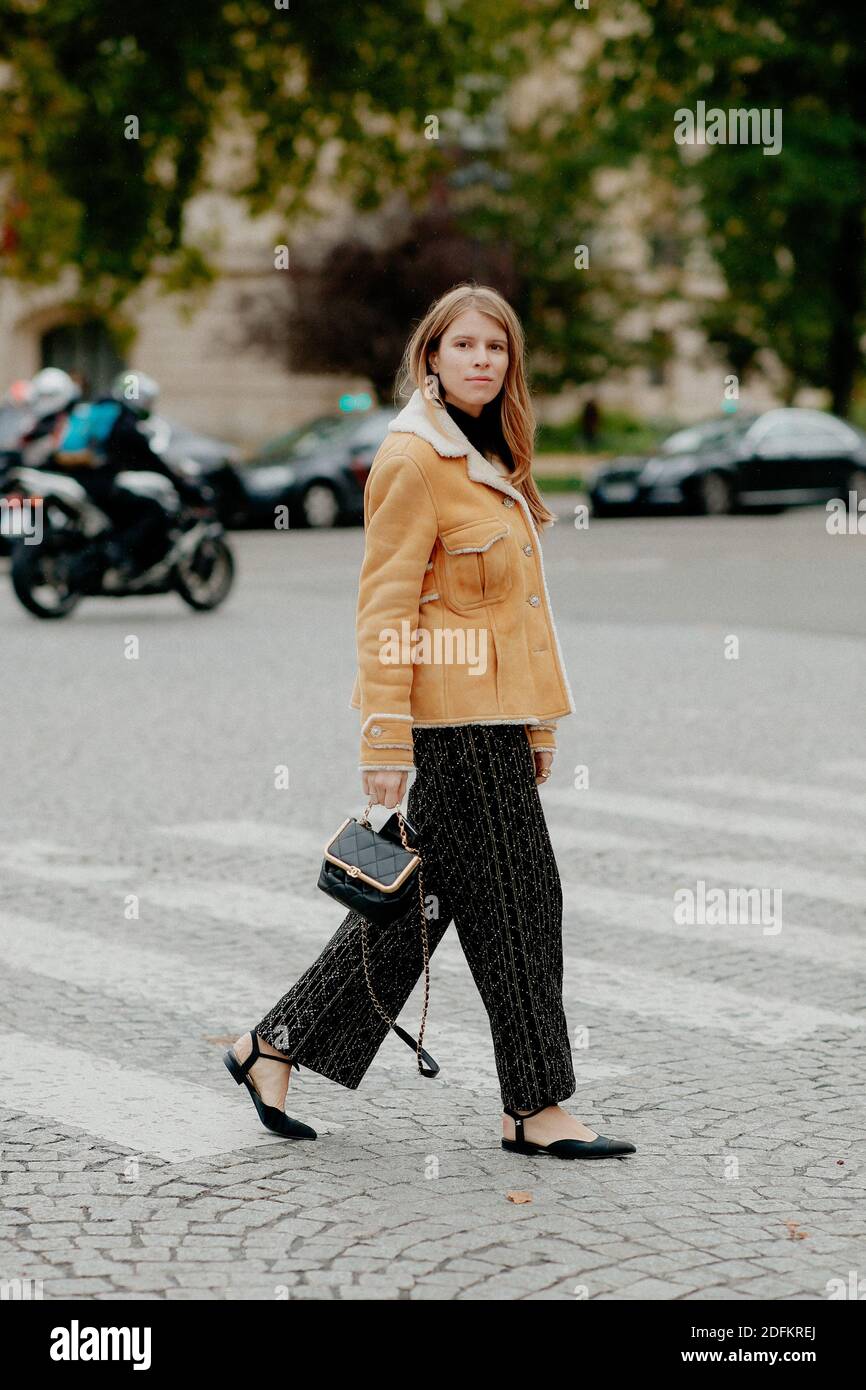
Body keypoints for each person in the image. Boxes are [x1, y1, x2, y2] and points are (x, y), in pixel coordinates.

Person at [224, 284, 636, 1161]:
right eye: (466, 346)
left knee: (419, 903)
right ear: (432, 359)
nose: (484, 359)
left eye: (498, 348)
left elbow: (523, 615)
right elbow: (384, 606)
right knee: (525, 903)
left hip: (495, 723)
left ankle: (273, 1044)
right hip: (450, 726)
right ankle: (534, 1106)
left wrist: (539, 727)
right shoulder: (414, 459)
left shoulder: (489, 458)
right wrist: (384, 738)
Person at [51, 371, 212, 580]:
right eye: (148, 400)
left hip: (75, 479)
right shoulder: (124, 424)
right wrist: (187, 488)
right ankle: (120, 557)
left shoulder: (93, 410)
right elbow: (153, 463)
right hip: (100, 484)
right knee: (153, 511)